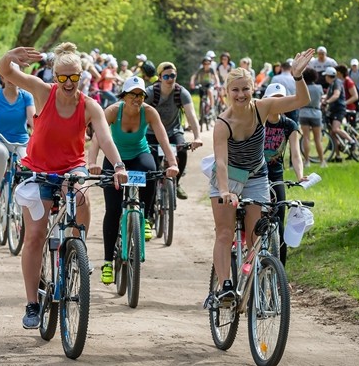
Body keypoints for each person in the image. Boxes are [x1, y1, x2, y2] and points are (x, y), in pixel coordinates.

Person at [0, 42, 128, 330]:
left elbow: (105, 139)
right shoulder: (43, 92)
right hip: (39, 169)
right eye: (63, 77)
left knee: (81, 195)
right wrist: (10, 57)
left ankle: (77, 247)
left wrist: (118, 165)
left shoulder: (90, 105)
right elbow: (6, 71)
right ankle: (32, 303)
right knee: (34, 235)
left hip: (72, 167)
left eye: (74, 77)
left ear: (82, 76)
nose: (68, 83)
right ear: (55, 76)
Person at [203, 48, 312, 310]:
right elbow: (220, 161)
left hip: (256, 176)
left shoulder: (263, 108)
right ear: (227, 93)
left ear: (254, 88)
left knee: (256, 236)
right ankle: (225, 287)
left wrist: (297, 76)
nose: (241, 95)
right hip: (228, 177)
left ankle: (251, 283)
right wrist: (227, 191)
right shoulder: (222, 123)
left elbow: (301, 100)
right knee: (225, 232)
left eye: (245, 89)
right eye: (235, 90)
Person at [88, 76, 179, 284]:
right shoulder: (112, 111)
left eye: (141, 95)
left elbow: (163, 138)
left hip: (139, 156)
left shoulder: (149, 112)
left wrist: (172, 163)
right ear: (124, 96)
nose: (137, 99)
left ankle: (145, 218)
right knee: (112, 210)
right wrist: (92, 162)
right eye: (133, 95)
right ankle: (108, 262)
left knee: (151, 171)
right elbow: (97, 139)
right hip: (115, 159)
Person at [262, 83, 308, 267]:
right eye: (274, 99)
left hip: (276, 176)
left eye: (282, 99)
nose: (278, 103)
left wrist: (300, 175)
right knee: (254, 218)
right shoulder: (257, 120)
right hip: (255, 176)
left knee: (279, 223)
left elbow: (295, 154)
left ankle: (280, 271)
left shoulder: (289, 125)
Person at [144, 61, 203, 200]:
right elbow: (137, 112)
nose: (170, 79)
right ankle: (151, 209)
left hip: (173, 131)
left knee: (182, 151)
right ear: (159, 78)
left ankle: (176, 184)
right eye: (166, 77)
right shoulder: (150, 93)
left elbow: (192, 116)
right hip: (151, 133)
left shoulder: (181, 92)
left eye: (173, 75)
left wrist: (197, 137)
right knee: (152, 167)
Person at [0, 72, 35, 207]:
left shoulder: (26, 96)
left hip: (21, 141)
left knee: (27, 165)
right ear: (2, 78)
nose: (11, 79)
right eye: (7, 75)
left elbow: (32, 117)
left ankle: (24, 198)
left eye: (14, 75)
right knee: (0, 153)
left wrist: (38, 130)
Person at [322, 66, 354, 157]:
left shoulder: (337, 83)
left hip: (339, 109)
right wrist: (322, 100)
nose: (325, 78)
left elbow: (336, 95)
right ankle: (337, 156)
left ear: (328, 76)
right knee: (332, 134)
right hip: (333, 109)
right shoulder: (331, 85)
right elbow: (327, 96)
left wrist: (327, 102)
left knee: (335, 129)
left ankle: (352, 141)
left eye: (326, 76)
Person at [299, 68, 327, 168]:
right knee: (317, 139)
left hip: (304, 112)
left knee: (306, 137)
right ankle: (322, 161)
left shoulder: (303, 87)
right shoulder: (319, 87)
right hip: (316, 113)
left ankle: (307, 161)